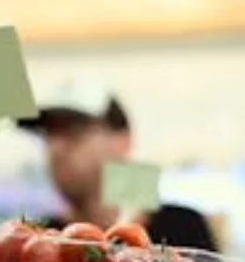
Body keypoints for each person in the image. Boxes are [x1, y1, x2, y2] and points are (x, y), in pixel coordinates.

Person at [14, 82, 223, 252]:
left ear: (123, 140)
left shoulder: (182, 225)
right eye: (47, 135)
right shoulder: (39, 241)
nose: (55, 148)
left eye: (72, 132)